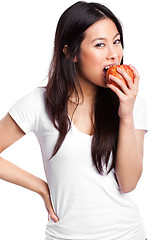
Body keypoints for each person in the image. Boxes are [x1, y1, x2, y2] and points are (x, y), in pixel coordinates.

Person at [0, 1, 148, 239]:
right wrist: (40, 187)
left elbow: (128, 183)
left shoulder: (131, 102)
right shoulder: (39, 103)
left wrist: (126, 115)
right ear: (71, 53)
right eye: (100, 44)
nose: (114, 54)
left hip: (127, 233)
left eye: (117, 41)